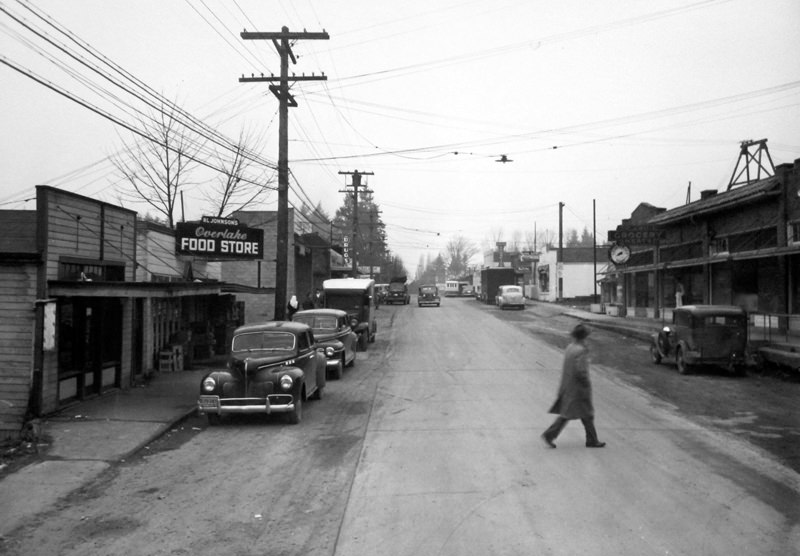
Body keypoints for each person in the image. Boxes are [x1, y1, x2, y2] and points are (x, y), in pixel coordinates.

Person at [541, 324, 606, 449]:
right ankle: (549, 435)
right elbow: (581, 371)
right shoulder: (581, 350)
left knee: (583, 415)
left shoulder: (570, 347)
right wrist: (586, 384)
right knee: (574, 414)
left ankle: (592, 439)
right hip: (578, 388)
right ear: (584, 337)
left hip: (568, 385)